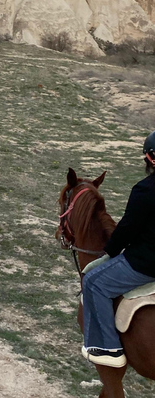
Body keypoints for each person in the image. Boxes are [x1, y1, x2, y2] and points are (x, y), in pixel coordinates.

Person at [81, 130, 155, 368]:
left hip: (145, 264)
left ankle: (107, 347)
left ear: (150, 158)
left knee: (93, 282)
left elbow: (128, 229)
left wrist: (110, 251)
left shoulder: (145, 190)